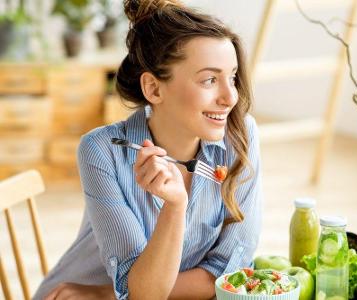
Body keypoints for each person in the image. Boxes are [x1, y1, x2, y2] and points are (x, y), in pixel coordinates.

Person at [34, 0, 262, 299]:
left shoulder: (240, 135)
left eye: (231, 77)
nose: (229, 97)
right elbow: (143, 295)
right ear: (154, 89)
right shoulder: (103, 151)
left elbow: (229, 271)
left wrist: (108, 294)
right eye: (209, 80)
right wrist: (175, 206)